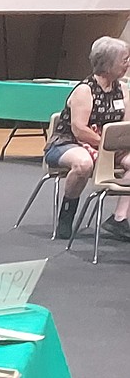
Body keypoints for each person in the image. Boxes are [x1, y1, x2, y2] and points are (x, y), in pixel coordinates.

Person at [46, 36, 130, 240]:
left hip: (109, 147)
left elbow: (125, 126)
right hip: (68, 143)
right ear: (108, 63)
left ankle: (118, 219)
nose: (128, 64)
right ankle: (67, 214)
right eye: (124, 59)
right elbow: (79, 130)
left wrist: (117, 144)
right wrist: (106, 145)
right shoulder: (85, 90)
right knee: (83, 164)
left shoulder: (122, 89)